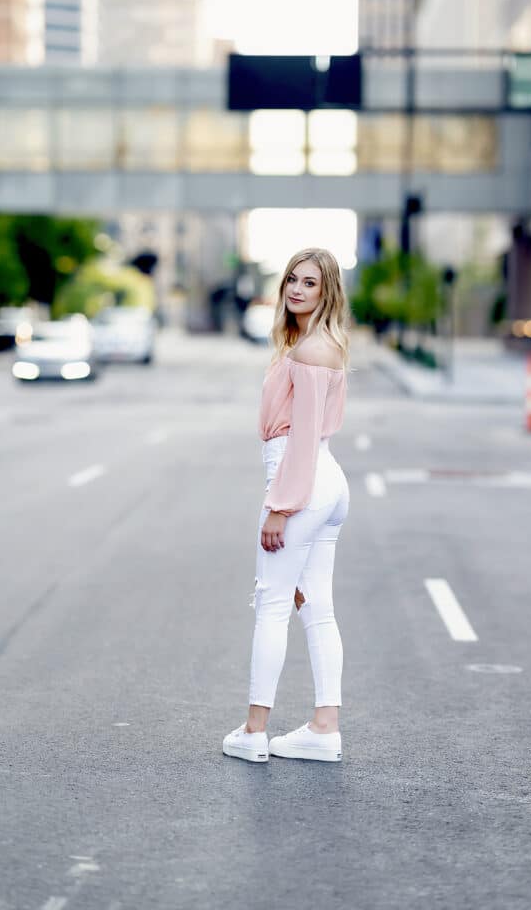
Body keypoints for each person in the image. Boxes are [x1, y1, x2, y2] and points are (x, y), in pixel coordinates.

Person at [223, 248, 351, 764]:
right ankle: (324, 729)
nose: (297, 289)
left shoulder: (308, 353)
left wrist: (281, 505)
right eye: (292, 280)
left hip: (301, 479)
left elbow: (300, 440)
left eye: (311, 283)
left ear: (327, 292)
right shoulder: (321, 344)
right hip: (326, 481)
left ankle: (254, 732)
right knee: (315, 606)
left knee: (273, 604)